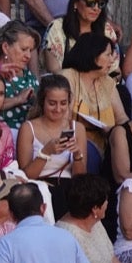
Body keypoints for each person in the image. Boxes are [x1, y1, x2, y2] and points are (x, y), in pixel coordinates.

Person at [16, 74, 87, 216]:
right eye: (52, 103)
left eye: (63, 103)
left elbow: (80, 178)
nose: (58, 109)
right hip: (38, 190)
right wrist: (46, 152)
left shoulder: (77, 128)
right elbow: (27, 175)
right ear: (43, 102)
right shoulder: (28, 128)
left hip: (69, 189)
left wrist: (77, 155)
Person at [60, 32, 127, 170]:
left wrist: (115, 132)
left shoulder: (108, 82)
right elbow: (62, 117)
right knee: (88, 152)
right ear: (94, 55)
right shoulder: (69, 76)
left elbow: (122, 119)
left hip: (105, 144)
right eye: (108, 55)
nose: (112, 60)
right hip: (74, 143)